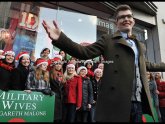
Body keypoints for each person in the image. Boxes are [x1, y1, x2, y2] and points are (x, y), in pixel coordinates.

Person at [42, 4, 165, 122]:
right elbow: (84, 52)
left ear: (133, 20)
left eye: (129, 16)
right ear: (116, 22)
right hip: (117, 102)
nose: (126, 19)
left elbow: (146, 65)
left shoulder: (140, 45)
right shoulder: (108, 40)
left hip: (138, 102)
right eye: (122, 17)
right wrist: (60, 39)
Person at [49, 55, 65, 122]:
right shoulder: (50, 74)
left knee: (59, 118)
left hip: (61, 98)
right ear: (54, 65)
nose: (58, 65)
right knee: (53, 117)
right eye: (57, 64)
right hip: (52, 97)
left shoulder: (62, 74)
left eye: (60, 64)